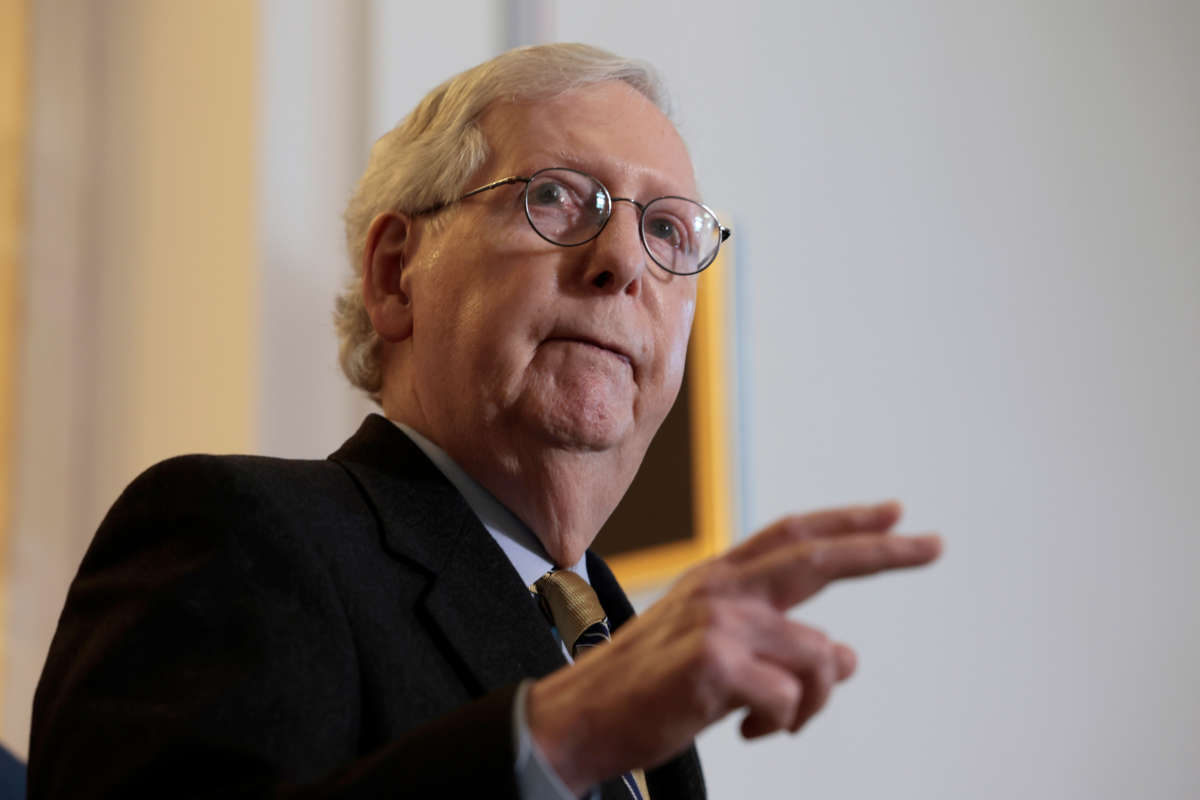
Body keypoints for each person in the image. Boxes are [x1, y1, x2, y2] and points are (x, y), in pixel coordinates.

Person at [28, 44, 941, 799]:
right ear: (396, 273)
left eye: (668, 231)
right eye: (556, 198)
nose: (623, 260)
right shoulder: (240, 531)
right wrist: (566, 732)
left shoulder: (619, 642)